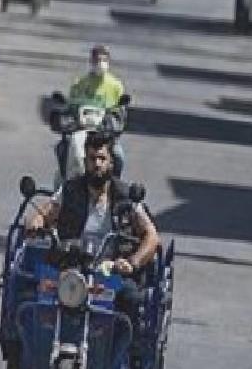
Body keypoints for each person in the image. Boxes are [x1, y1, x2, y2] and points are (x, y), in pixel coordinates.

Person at [25, 132, 161, 350]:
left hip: (111, 273)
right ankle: (31, 356)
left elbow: (152, 237)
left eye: (102, 159)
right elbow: (45, 212)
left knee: (132, 299)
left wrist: (131, 262)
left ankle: (124, 359)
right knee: (30, 294)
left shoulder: (126, 197)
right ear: (85, 162)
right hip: (70, 266)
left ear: (111, 162)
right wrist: (37, 222)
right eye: (91, 159)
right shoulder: (69, 190)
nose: (96, 164)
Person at [67, 44, 129, 177]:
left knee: (119, 156)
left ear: (108, 62)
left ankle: (114, 186)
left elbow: (121, 111)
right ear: (91, 61)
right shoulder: (80, 84)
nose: (100, 63)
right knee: (63, 149)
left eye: (103, 60)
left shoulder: (116, 86)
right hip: (81, 129)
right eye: (97, 60)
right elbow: (71, 105)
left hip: (105, 133)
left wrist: (115, 124)